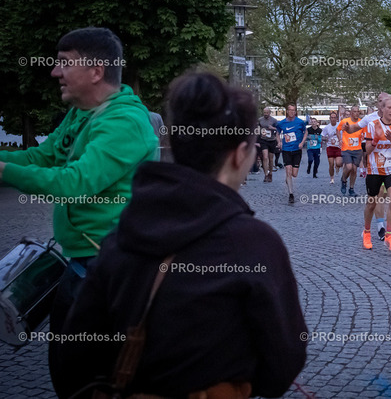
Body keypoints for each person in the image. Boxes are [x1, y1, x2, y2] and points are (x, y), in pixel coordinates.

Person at [55, 72, 307, 398]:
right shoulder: (255, 243)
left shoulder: (118, 238)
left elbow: (72, 361)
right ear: (239, 154)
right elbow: (282, 366)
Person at [0, 27, 159, 394]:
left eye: (64, 63)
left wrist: (4, 171)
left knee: (89, 379)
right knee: (67, 371)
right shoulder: (81, 113)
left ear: (96, 71)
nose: (55, 72)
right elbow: (40, 157)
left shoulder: (124, 122)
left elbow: (76, 182)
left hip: (111, 275)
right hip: (81, 264)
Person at [344, 92, 391, 241]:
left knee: (389, 198)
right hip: (374, 166)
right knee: (376, 197)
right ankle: (378, 226)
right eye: (380, 101)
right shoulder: (370, 119)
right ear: (380, 105)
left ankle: (386, 232)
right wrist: (347, 129)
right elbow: (354, 128)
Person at [362, 95, 391, 251]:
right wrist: (376, 140)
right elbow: (367, 150)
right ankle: (367, 232)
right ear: (382, 109)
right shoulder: (372, 125)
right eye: (390, 107)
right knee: (371, 204)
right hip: (374, 170)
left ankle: (389, 236)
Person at [276, 104, 307, 203]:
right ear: (287, 111)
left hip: (297, 150)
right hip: (286, 150)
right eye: (290, 110)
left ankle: (288, 178)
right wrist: (279, 142)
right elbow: (277, 133)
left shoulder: (300, 122)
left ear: (295, 112)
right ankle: (291, 194)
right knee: (288, 171)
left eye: (293, 110)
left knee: (294, 174)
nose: (292, 112)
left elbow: (305, 132)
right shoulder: (282, 123)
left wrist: (302, 142)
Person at [337, 105, 364, 196]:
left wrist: (363, 136)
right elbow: (338, 130)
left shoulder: (361, 122)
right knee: (349, 167)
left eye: (358, 111)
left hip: (357, 149)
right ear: (351, 113)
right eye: (354, 111)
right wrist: (340, 139)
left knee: (354, 170)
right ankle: (343, 180)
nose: (356, 113)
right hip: (346, 148)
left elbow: (365, 132)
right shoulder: (345, 121)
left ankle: (351, 189)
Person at [321, 111, 343, 184]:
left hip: (338, 147)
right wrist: (325, 138)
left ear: (336, 119)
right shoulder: (327, 127)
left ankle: (337, 166)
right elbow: (322, 136)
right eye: (332, 118)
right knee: (331, 164)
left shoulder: (340, 125)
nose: (333, 119)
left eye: (334, 117)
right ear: (329, 118)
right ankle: (332, 178)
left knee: (339, 163)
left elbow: (344, 134)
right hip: (330, 147)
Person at [258, 107, 279, 182]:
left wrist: (272, 128)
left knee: (271, 159)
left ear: (270, 113)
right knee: (265, 157)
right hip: (263, 140)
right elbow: (257, 129)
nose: (265, 114)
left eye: (267, 113)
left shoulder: (274, 120)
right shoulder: (260, 120)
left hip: (272, 141)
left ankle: (270, 173)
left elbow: (278, 129)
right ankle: (266, 175)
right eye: (264, 112)